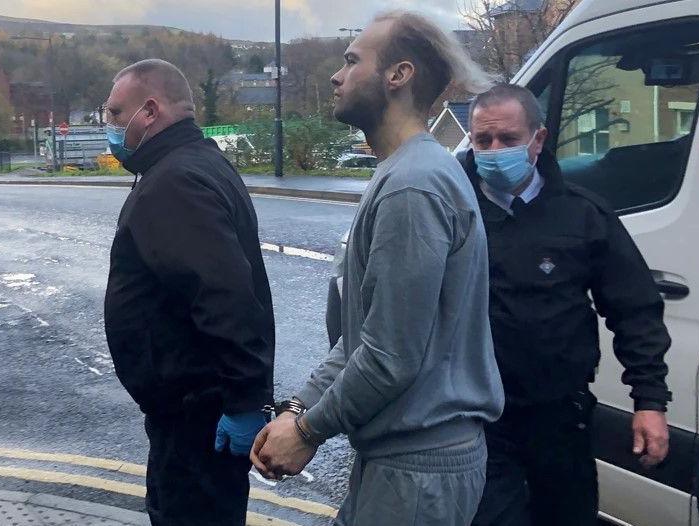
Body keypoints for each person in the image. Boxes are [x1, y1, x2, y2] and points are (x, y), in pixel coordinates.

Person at [250, 11, 504, 526]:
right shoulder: (406, 173)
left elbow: (390, 355)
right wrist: (301, 410)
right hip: (400, 463)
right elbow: (364, 334)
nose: (335, 76)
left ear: (398, 75)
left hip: (417, 471)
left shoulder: (414, 185)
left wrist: (308, 431)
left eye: (350, 61)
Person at [460, 83, 671, 526]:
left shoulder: (583, 214)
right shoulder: (450, 209)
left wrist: (649, 401)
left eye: (508, 140)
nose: (494, 151)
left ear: (537, 141)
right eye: (483, 141)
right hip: (478, 420)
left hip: (560, 416)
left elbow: (634, 308)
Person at [102, 59, 275, 526]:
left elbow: (224, 296)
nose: (112, 127)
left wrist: (243, 402)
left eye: (117, 114)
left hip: (198, 416)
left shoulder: (173, 181)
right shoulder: (195, 164)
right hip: (195, 410)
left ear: (150, 110)